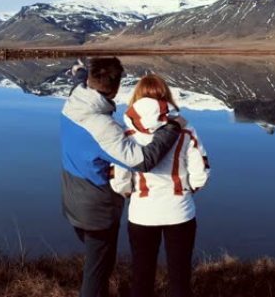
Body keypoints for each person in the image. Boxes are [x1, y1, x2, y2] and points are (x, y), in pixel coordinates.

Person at [60, 58, 186, 297]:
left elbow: (79, 82)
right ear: (117, 88)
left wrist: (79, 71)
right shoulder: (103, 128)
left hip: (72, 200)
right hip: (95, 211)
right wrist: (173, 127)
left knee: (96, 262)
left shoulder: (76, 98)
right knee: (97, 271)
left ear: (89, 80)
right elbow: (143, 160)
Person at [110, 74, 211, 297]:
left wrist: (131, 194)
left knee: (141, 278)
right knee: (180, 279)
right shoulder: (186, 130)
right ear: (166, 97)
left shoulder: (125, 133)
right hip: (180, 212)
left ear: (136, 97)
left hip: (141, 213)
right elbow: (200, 174)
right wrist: (186, 191)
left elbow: (119, 179)